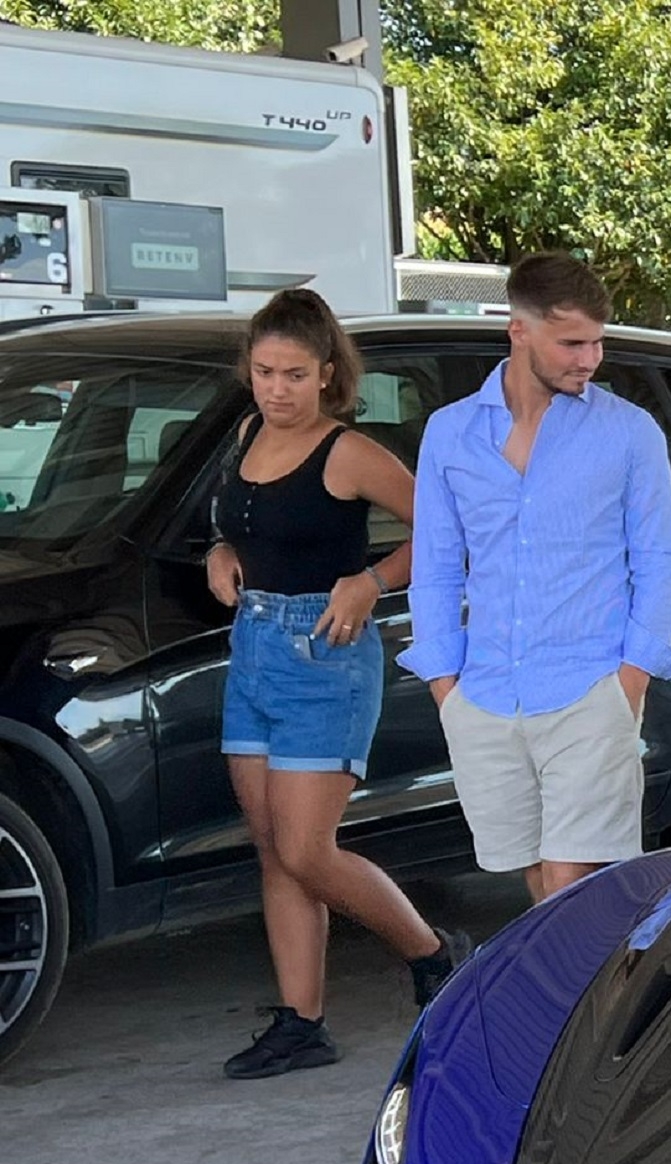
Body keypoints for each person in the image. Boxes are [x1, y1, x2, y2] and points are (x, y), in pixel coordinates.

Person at [210, 289, 471, 1081]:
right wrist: (219, 551)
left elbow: (446, 530)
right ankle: (302, 1022)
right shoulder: (248, 432)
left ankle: (434, 952)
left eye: (294, 374)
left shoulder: (348, 452)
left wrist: (371, 579)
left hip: (326, 654)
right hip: (253, 646)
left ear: (328, 374)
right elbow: (237, 525)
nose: (276, 389)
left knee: (305, 847)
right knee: (272, 849)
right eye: (264, 371)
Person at [404, 251, 671, 902]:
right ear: (519, 329)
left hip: (591, 689)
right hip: (486, 695)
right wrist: (447, 689)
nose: (589, 358)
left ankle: (591, 999)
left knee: (571, 880)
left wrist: (631, 680)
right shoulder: (451, 435)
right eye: (572, 342)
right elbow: (437, 566)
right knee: (537, 879)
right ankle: (581, 1002)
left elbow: (659, 557)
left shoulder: (628, 433)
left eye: (596, 341)